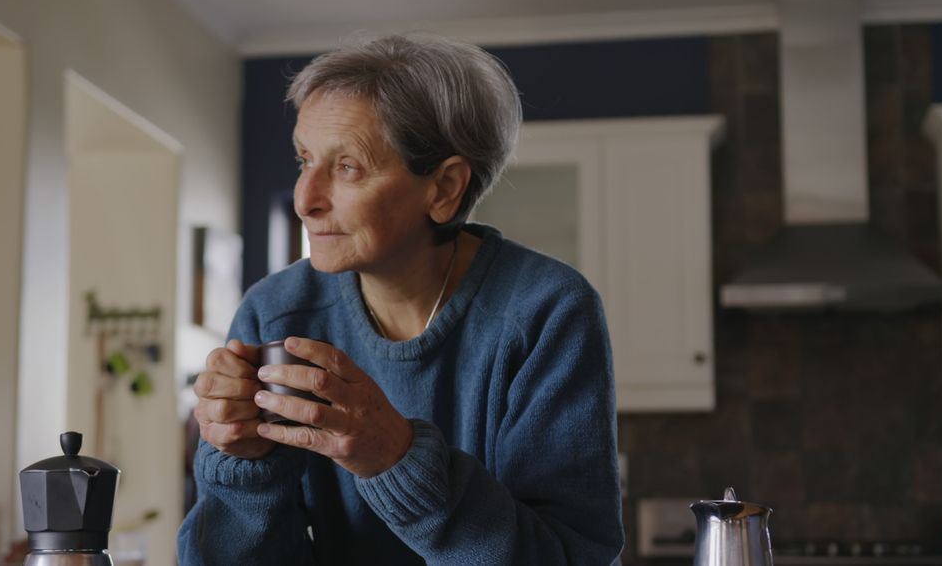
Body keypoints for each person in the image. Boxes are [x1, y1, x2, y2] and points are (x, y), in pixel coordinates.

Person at [178, 32, 624, 565]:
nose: (305, 200)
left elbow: (572, 559)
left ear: (444, 189)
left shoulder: (545, 312)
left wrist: (396, 459)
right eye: (304, 160)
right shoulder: (276, 310)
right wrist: (245, 468)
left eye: (347, 167)